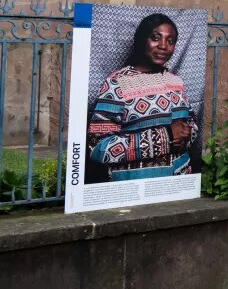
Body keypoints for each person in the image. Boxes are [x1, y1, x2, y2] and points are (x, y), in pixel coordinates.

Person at [86, 13, 200, 182]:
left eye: (170, 41)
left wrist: (188, 132)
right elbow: (98, 148)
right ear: (141, 40)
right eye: (155, 38)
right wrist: (166, 136)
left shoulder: (176, 80)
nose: (163, 46)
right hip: (135, 187)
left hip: (179, 183)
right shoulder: (117, 83)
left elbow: (191, 123)